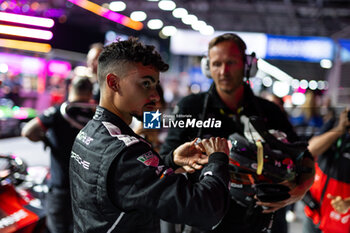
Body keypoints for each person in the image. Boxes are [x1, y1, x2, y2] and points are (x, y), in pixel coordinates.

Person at [69, 37, 231, 233]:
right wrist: (217, 159)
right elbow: (206, 210)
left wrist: (169, 161)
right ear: (113, 83)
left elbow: (125, 183)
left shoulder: (89, 131)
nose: (155, 96)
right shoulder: (126, 152)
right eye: (146, 84)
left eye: (154, 85)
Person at [160, 33, 315, 233]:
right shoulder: (190, 107)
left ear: (247, 65)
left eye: (231, 62)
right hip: (206, 221)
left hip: (263, 221)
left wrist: (298, 192)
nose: (223, 71)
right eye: (216, 64)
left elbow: (305, 157)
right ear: (208, 67)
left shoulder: (270, 111)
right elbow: (165, 161)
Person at [21, 76, 95, 233]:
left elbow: (28, 131)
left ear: (70, 89)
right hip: (88, 189)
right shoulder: (96, 115)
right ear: (90, 92)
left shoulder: (58, 111)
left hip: (60, 187)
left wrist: (45, 140)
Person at [303, 108, 350, 233]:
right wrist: (339, 129)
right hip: (314, 211)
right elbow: (310, 149)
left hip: (341, 219)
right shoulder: (334, 124)